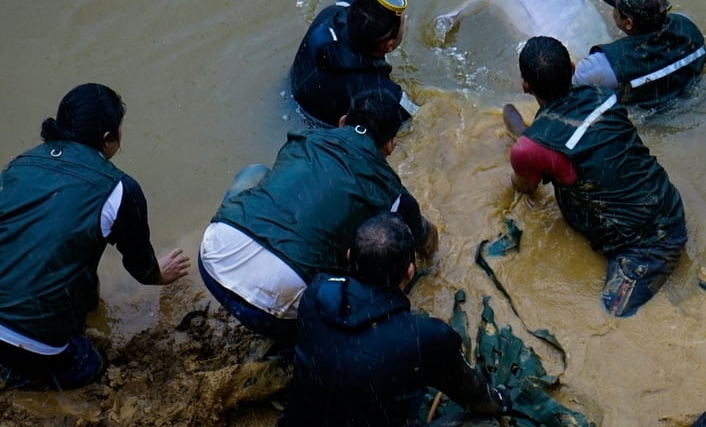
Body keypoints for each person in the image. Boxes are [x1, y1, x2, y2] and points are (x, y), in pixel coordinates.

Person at [198, 91, 437, 346]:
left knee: (256, 172)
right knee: (375, 251)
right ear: (391, 145)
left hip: (212, 258)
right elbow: (424, 239)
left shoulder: (302, 139)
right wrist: (433, 268)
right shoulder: (393, 193)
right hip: (275, 314)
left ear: (343, 121)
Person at [0, 84, 190, 390]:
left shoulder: (19, 164)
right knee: (90, 364)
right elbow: (141, 268)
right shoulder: (119, 188)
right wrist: (159, 274)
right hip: (33, 341)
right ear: (107, 139)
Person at [503, 36, 687, 317]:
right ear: (574, 67)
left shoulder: (530, 148)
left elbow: (525, 188)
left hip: (647, 247)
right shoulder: (603, 96)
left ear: (525, 85)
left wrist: (522, 153)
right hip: (669, 203)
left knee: (612, 316)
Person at [278, 212, 509, 427]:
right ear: (410, 272)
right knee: (487, 422)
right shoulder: (427, 338)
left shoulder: (316, 292)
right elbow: (475, 398)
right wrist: (500, 400)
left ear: (349, 256)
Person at [289, 0, 419, 127]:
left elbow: (361, 5)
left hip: (293, 93)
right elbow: (420, 117)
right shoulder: (384, 93)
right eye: (403, 22)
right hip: (322, 128)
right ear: (388, 45)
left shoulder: (331, 14)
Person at [573, 0, 706, 109]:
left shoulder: (599, 67)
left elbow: (562, 91)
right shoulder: (688, 26)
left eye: (615, 6)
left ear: (629, 23)